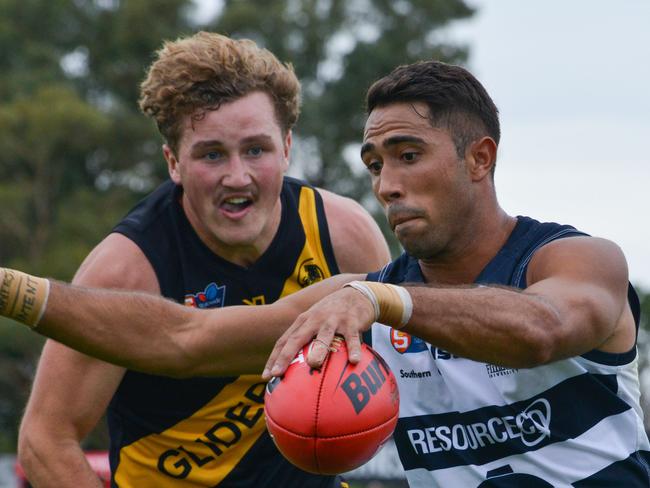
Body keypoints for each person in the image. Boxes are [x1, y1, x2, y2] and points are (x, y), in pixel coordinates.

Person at [1, 60, 647, 487]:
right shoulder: (363, 295)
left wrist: (382, 300)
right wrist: (13, 289)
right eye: (374, 164)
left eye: (408, 155)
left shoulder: (579, 260)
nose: (387, 185)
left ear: (479, 158)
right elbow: (181, 338)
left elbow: (542, 327)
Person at [15, 32, 389, 488]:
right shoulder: (127, 269)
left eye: (256, 149)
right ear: (173, 162)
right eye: (212, 154)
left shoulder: (343, 234)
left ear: (287, 147)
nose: (237, 176)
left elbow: (406, 382)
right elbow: (44, 440)